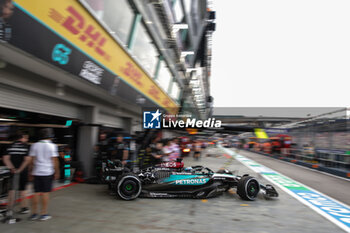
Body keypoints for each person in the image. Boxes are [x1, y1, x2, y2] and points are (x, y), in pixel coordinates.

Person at [28, 128, 60, 221]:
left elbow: (31, 160)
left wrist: (30, 171)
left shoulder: (35, 145)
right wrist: (57, 172)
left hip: (36, 172)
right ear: (50, 136)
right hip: (47, 172)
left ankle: (34, 214)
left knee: (36, 193)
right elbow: (55, 160)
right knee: (45, 193)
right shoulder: (52, 146)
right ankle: (43, 213)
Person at [3, 131, 31, 221]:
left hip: (12, 171)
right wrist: (20, 170)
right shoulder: (25, 147)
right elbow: (27, 160)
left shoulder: (9, 146)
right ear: (21, 138)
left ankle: (9, 209)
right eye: (25, 138)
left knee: (11, 190)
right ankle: (24, 208)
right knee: (23, 190)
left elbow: (5, 158)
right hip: (22, 172)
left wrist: (12, 168)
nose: (26, 140)